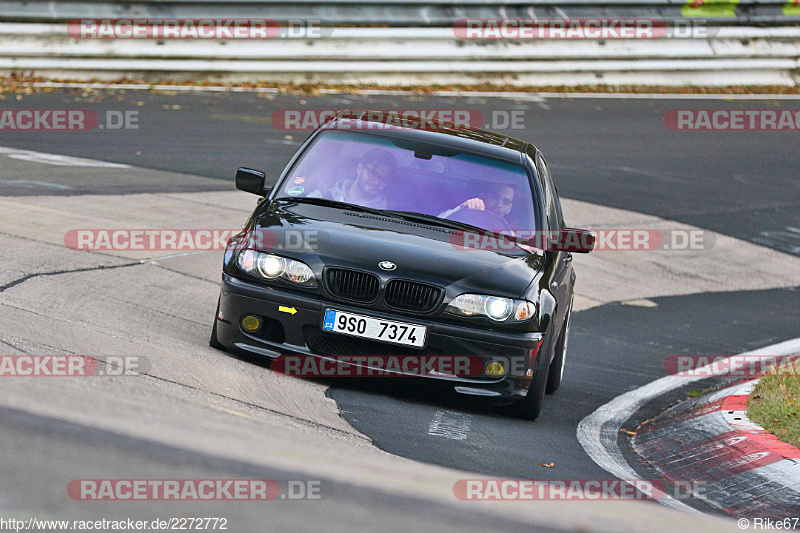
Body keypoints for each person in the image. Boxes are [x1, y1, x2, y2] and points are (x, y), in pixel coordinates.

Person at [307, 148, 397, 209]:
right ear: (360, 168)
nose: (377, 182)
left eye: (383, 180)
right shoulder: (323, 196)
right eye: (373, 174)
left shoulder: (383, 215)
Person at [438, 182, 516, 226]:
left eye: (505, 202)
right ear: (483, 196)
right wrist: (462, 208)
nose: (499, 205)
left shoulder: (511, 236)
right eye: (494, 197)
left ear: (509, 208)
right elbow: (436, 224)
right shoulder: (464, 214)